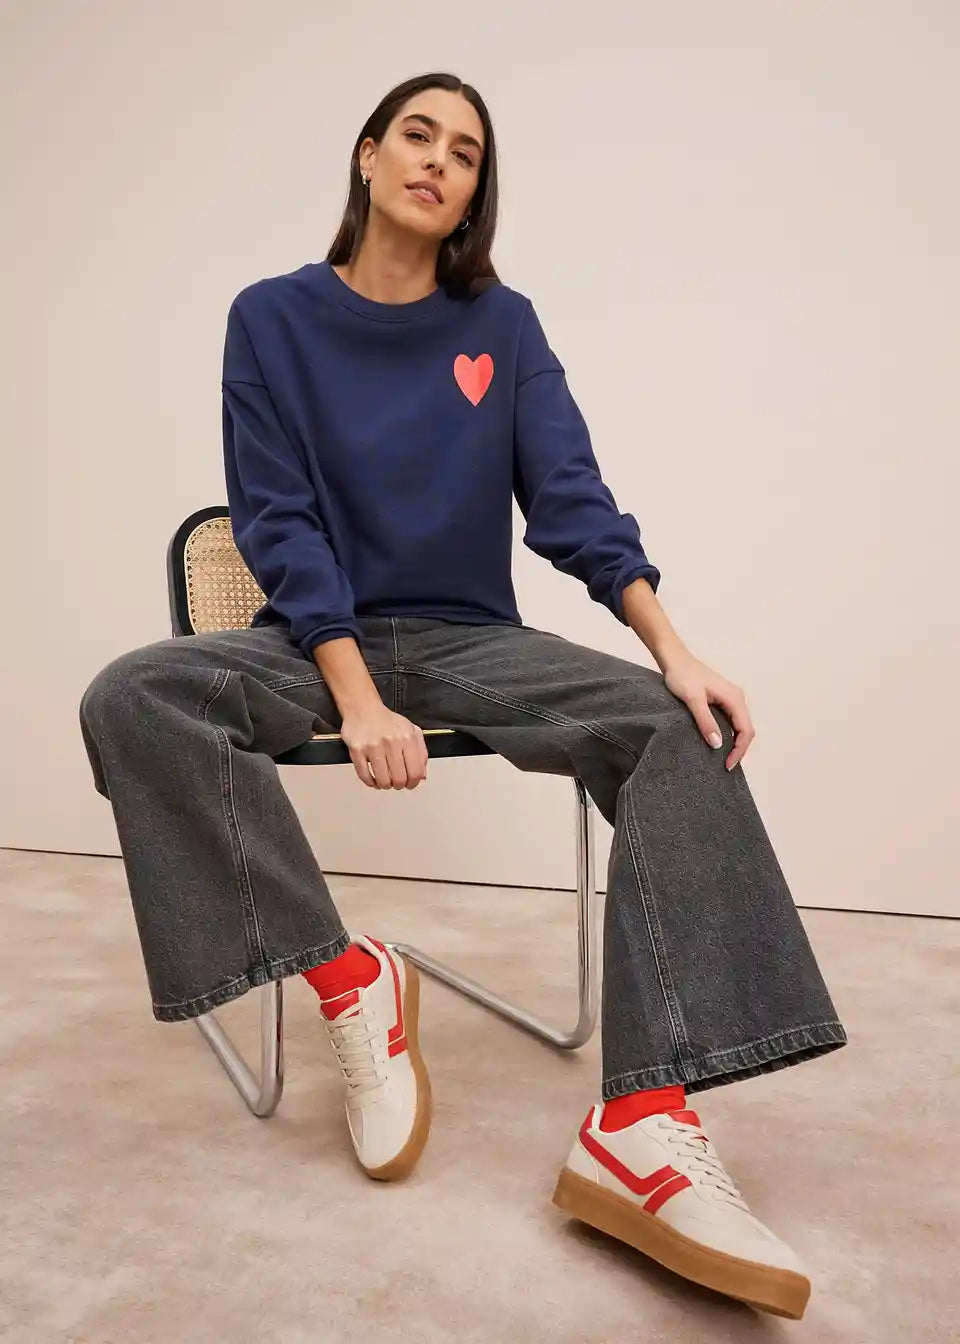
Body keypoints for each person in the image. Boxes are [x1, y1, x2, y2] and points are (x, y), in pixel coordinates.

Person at [79, 71, 846, 1321]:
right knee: (135, 695)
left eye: (468, 152)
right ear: (369, 155)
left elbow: (573, 499)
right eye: (418, 135)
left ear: (478, 189)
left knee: (679, 725)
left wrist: (674, 648)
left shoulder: (504, 325)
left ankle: (644, 1123)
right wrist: (354, 694)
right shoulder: (272, 318)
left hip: (464, 637)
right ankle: (350, 982)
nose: (440, 160)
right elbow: (278, 520)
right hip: (308, 641)